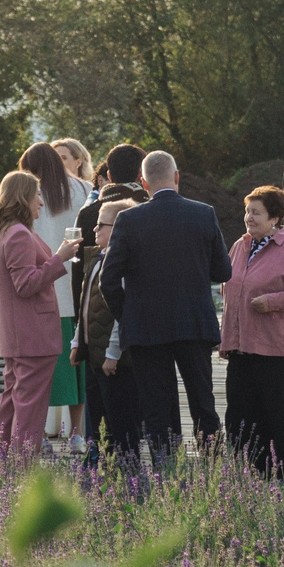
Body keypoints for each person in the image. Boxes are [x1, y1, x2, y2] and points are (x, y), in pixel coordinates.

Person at [107, 149, 233, 474]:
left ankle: (167, 471)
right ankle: (213, 468)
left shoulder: (128, 220)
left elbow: (108, 280)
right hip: (194, 323)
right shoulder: (203, 214)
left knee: (157, 408)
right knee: (203, 402)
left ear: (142, 182)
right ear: (177, 177)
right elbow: (224, 272)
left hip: (145, 329)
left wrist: (128, 315)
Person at [219, 185, 284, 477]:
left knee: (278, 416)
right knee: (240, 416)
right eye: (247, 211)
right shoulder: (240, 246)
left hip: (275, 348)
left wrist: (273, 302)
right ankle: (246, 475)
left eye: (256, 212)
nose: (249, 217)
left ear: (275, 217)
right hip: (241, 347)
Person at [0, 169, 79, 461]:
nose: (41, 201)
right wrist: (59, 259)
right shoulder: (18, 235)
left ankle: (4, 462)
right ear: (23, 197)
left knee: (12, 400)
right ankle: (22, 467)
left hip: (17, 334)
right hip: (32, 334)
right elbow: (25, 285)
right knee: (30, 405)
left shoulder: (2, 232)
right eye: (37, 195)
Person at [22, 141, 89, 449]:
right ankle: (77, 432)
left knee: (45, 368)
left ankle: (40, 434)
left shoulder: (30, 197)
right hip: (79, 289)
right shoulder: (83, 190)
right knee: (78, 367)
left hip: (45, 289)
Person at [76, 196, 141, 469]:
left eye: (101, 225)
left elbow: (120, 314)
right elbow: (86, 305)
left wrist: (113, 353)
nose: (95, 230)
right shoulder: (95, 258)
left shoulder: (125, 264)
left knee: (120, 419)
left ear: (118, 228)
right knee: (98, 417)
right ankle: (99, 465)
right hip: (94, 354)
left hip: (113, 360)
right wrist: (77, 341)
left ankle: (126, 468)